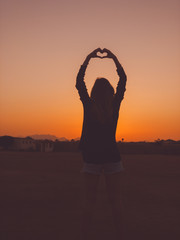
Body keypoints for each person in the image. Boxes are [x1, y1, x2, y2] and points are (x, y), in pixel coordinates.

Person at [75, 48, 127, 240]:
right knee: (116, 202)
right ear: (111, 92)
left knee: (89, 202)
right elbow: (123, 81)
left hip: (91, 158)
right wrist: (114, 58)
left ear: (94, 92)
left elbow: (79, 83)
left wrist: (88, 57)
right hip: (112, 157)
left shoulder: (89, 106)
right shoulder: (114, 105)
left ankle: (84, 235)